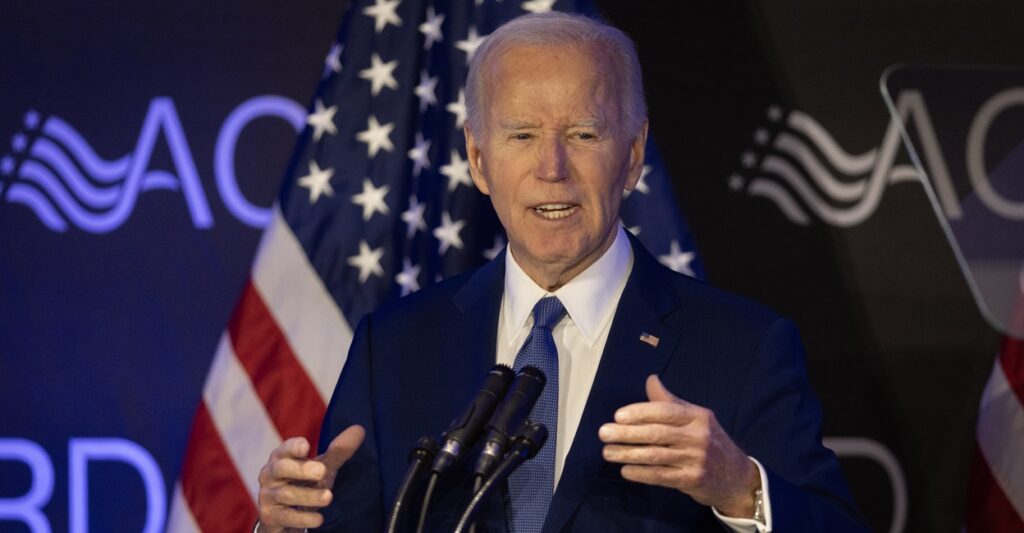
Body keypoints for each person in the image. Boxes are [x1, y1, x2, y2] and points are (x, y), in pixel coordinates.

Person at [255, 12, 866, 533]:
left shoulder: (743, 346)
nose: (552, 168)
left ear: (631, 156)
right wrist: (287, 525)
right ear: (477, 159)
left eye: (583, 133)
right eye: (521, 135)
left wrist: (740, 489)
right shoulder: (394, 346)